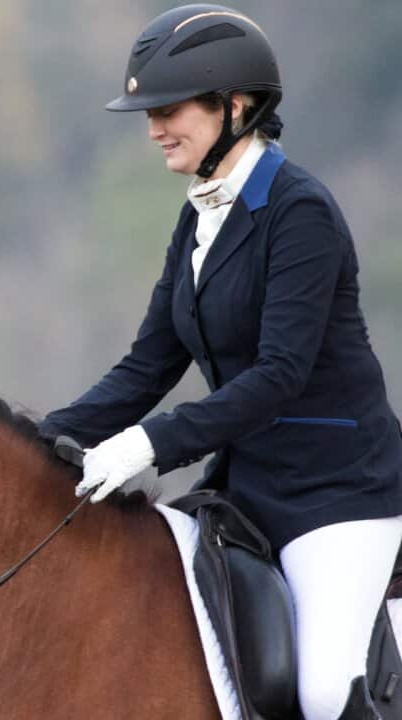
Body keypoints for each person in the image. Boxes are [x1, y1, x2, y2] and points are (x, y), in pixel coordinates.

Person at [37, 5, 402, 719]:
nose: (152, 129)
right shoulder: (199, 215)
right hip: (247, 490)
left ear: (234, 107)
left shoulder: (301, 213)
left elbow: (279, 375)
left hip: (339, 494)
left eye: (167, 109)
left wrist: (151, 442)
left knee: (326, 693)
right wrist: (36, 437)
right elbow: (147, 365)